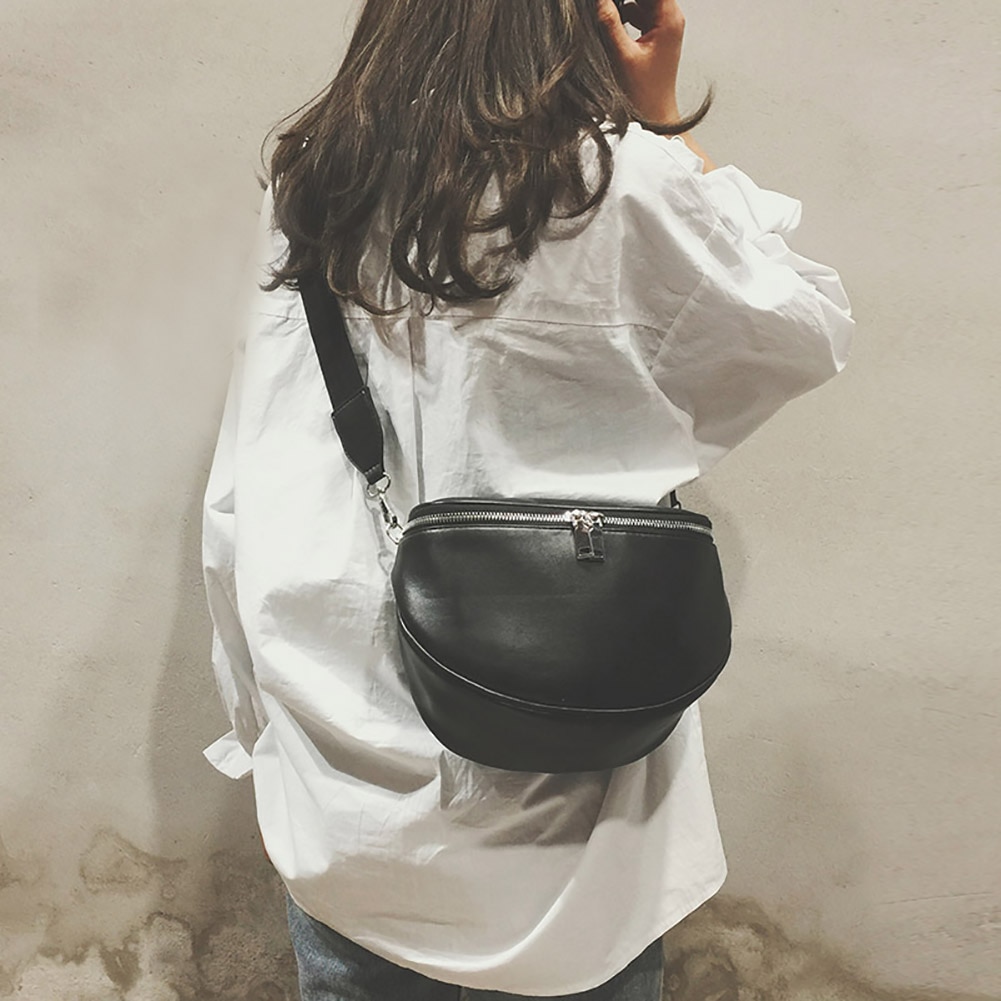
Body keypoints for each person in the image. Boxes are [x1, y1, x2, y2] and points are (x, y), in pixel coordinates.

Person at [201, 0, 855, 998]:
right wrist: (661, 119)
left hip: (347, 785)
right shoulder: (613, 179)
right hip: (577, 824)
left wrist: (254, 713)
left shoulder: (314, 187)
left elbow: (247, 473)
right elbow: (800, 325)